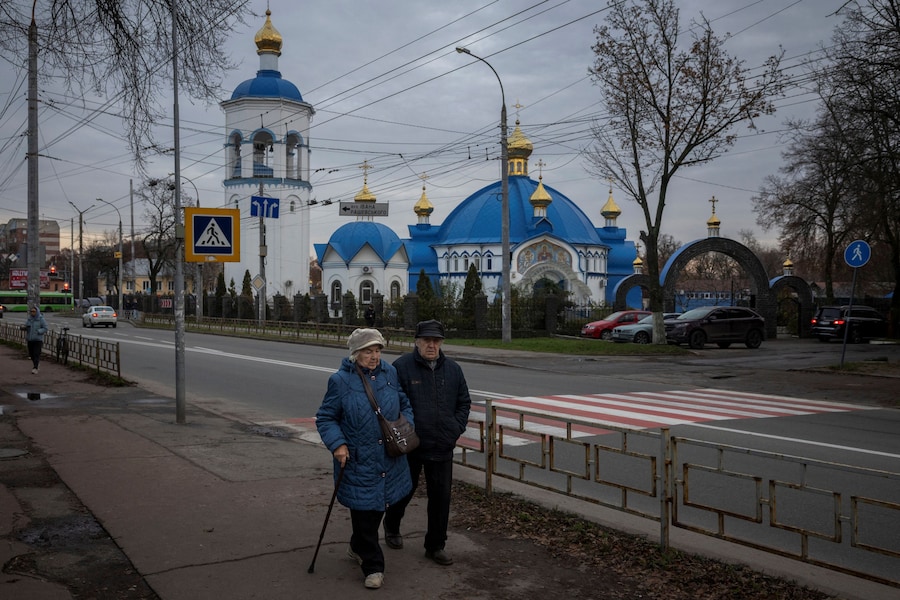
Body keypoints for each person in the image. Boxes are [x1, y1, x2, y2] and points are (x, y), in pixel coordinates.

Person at [316, 328, 414, 590]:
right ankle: (373, 566)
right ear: (355, 354)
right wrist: (338, 444)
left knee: (380, 507)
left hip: (390, 458)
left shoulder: (390, 373)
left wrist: (406, 426)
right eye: (369, 351)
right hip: (359, 460)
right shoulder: (340, 381)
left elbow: (404, 403)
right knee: (364, 513)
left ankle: (357, 545)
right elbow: (326, 417)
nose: (375, 356)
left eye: (378, 350)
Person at [383, 319, 471, 566]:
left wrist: (454, 429)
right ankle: (391, 525)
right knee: (404, 491)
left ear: (441, 343)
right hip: (411, 445)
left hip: (442, 445)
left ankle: (435, 546)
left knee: (441, 498)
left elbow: (464, 402)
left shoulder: (453, 370)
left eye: (436, 341)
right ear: (417, 342)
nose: (432, 345)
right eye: (427, 340)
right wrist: (403, 433)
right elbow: (391, 405)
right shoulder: (401, 367)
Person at [22, 305, 48, 374]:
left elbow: (45, 328)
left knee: (36, 353)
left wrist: (39, 331)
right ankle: (36, 364)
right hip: (30, 339)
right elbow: (26, 325)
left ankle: (35, 368)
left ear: (37, 312)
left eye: (34, 311)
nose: (32, 313)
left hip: (38, 339)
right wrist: (24, 328)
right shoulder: (29, 319)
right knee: (31, 354)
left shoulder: (41, 319)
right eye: (31, 311)